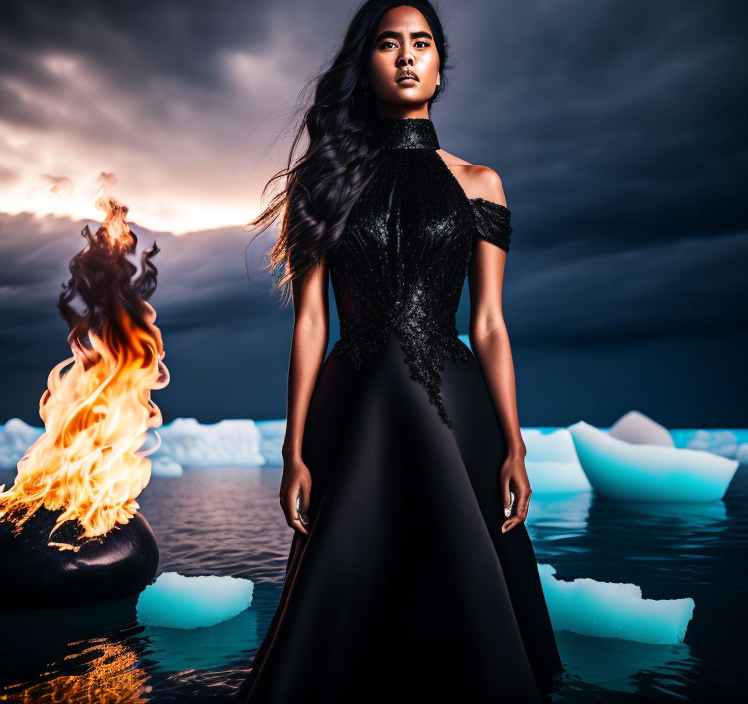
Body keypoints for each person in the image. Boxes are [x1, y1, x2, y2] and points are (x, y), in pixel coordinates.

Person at [237, 1, 564, 701]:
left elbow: (489, 326)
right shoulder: (322, 184)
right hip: (352, 403)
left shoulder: (480, 182)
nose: (408, 56)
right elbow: (310, 327)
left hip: (458, 408)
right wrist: (293, 449)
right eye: (390, 44)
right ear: (368, 65)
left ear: (441, 67)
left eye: (421, 44)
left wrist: (515, 444)